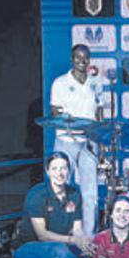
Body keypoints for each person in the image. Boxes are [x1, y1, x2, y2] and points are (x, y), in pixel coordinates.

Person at [13, 152, 95, 258]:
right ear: (48, 171)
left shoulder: (74, 193)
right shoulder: (37, 194)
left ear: (69, 171)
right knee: (58, 249)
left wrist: (83, 240)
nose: (60, 173)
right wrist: (73, 240)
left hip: (59, 248)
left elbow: (77, 229)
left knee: (88, 250)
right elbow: (42, 235)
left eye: (64, 168)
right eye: (55, 169)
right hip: (27, 250)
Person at [49, 44, 104, 235]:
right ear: (71, 59)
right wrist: (71, 123)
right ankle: (64, 233)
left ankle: (89, 236)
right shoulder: (60, 83)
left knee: (90, 193)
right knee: (63, 187)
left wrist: (100, 139)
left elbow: (99, 112)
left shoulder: (95, 83)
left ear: (89, 60)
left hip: (89, 142)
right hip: (66, 141)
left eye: (85, 57)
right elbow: (55, 112)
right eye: (78, 57)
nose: (82, 61)